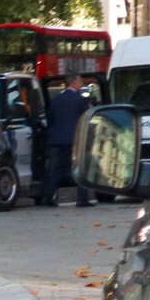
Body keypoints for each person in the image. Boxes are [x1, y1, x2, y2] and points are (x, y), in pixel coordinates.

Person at [46, 72, 95, 208]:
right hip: (75, 140)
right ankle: (82, 199)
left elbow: (50, 120)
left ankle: (49, 196)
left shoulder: (55, 100)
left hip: (57, 140)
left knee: (57, 169)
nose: (81, 84)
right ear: (73, 83)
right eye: (80, 82)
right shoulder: (81, 100)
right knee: (79, 168)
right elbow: (87, 119)